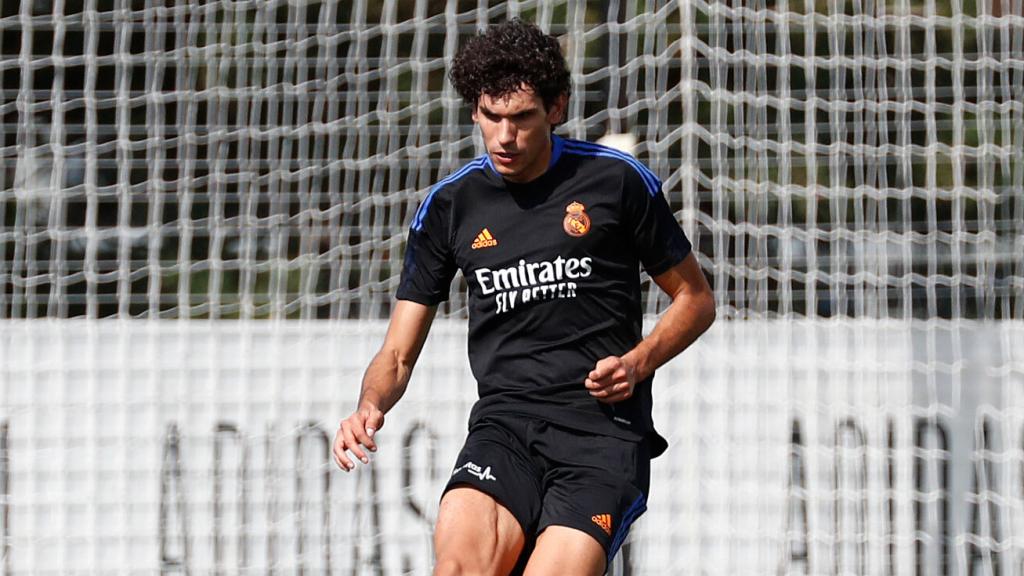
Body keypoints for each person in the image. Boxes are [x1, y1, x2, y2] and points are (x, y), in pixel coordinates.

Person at [333, 19, 715, 576]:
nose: (504, 137)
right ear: (474, 111)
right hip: (504, 428)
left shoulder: (616, 182)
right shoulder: (450, 207)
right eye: (491, 117)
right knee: (459, 569)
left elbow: (696, 300)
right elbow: (396, 354)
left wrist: (638, 362)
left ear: (556, 108)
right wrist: (370, 405)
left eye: (521, 119)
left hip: (601, 437)